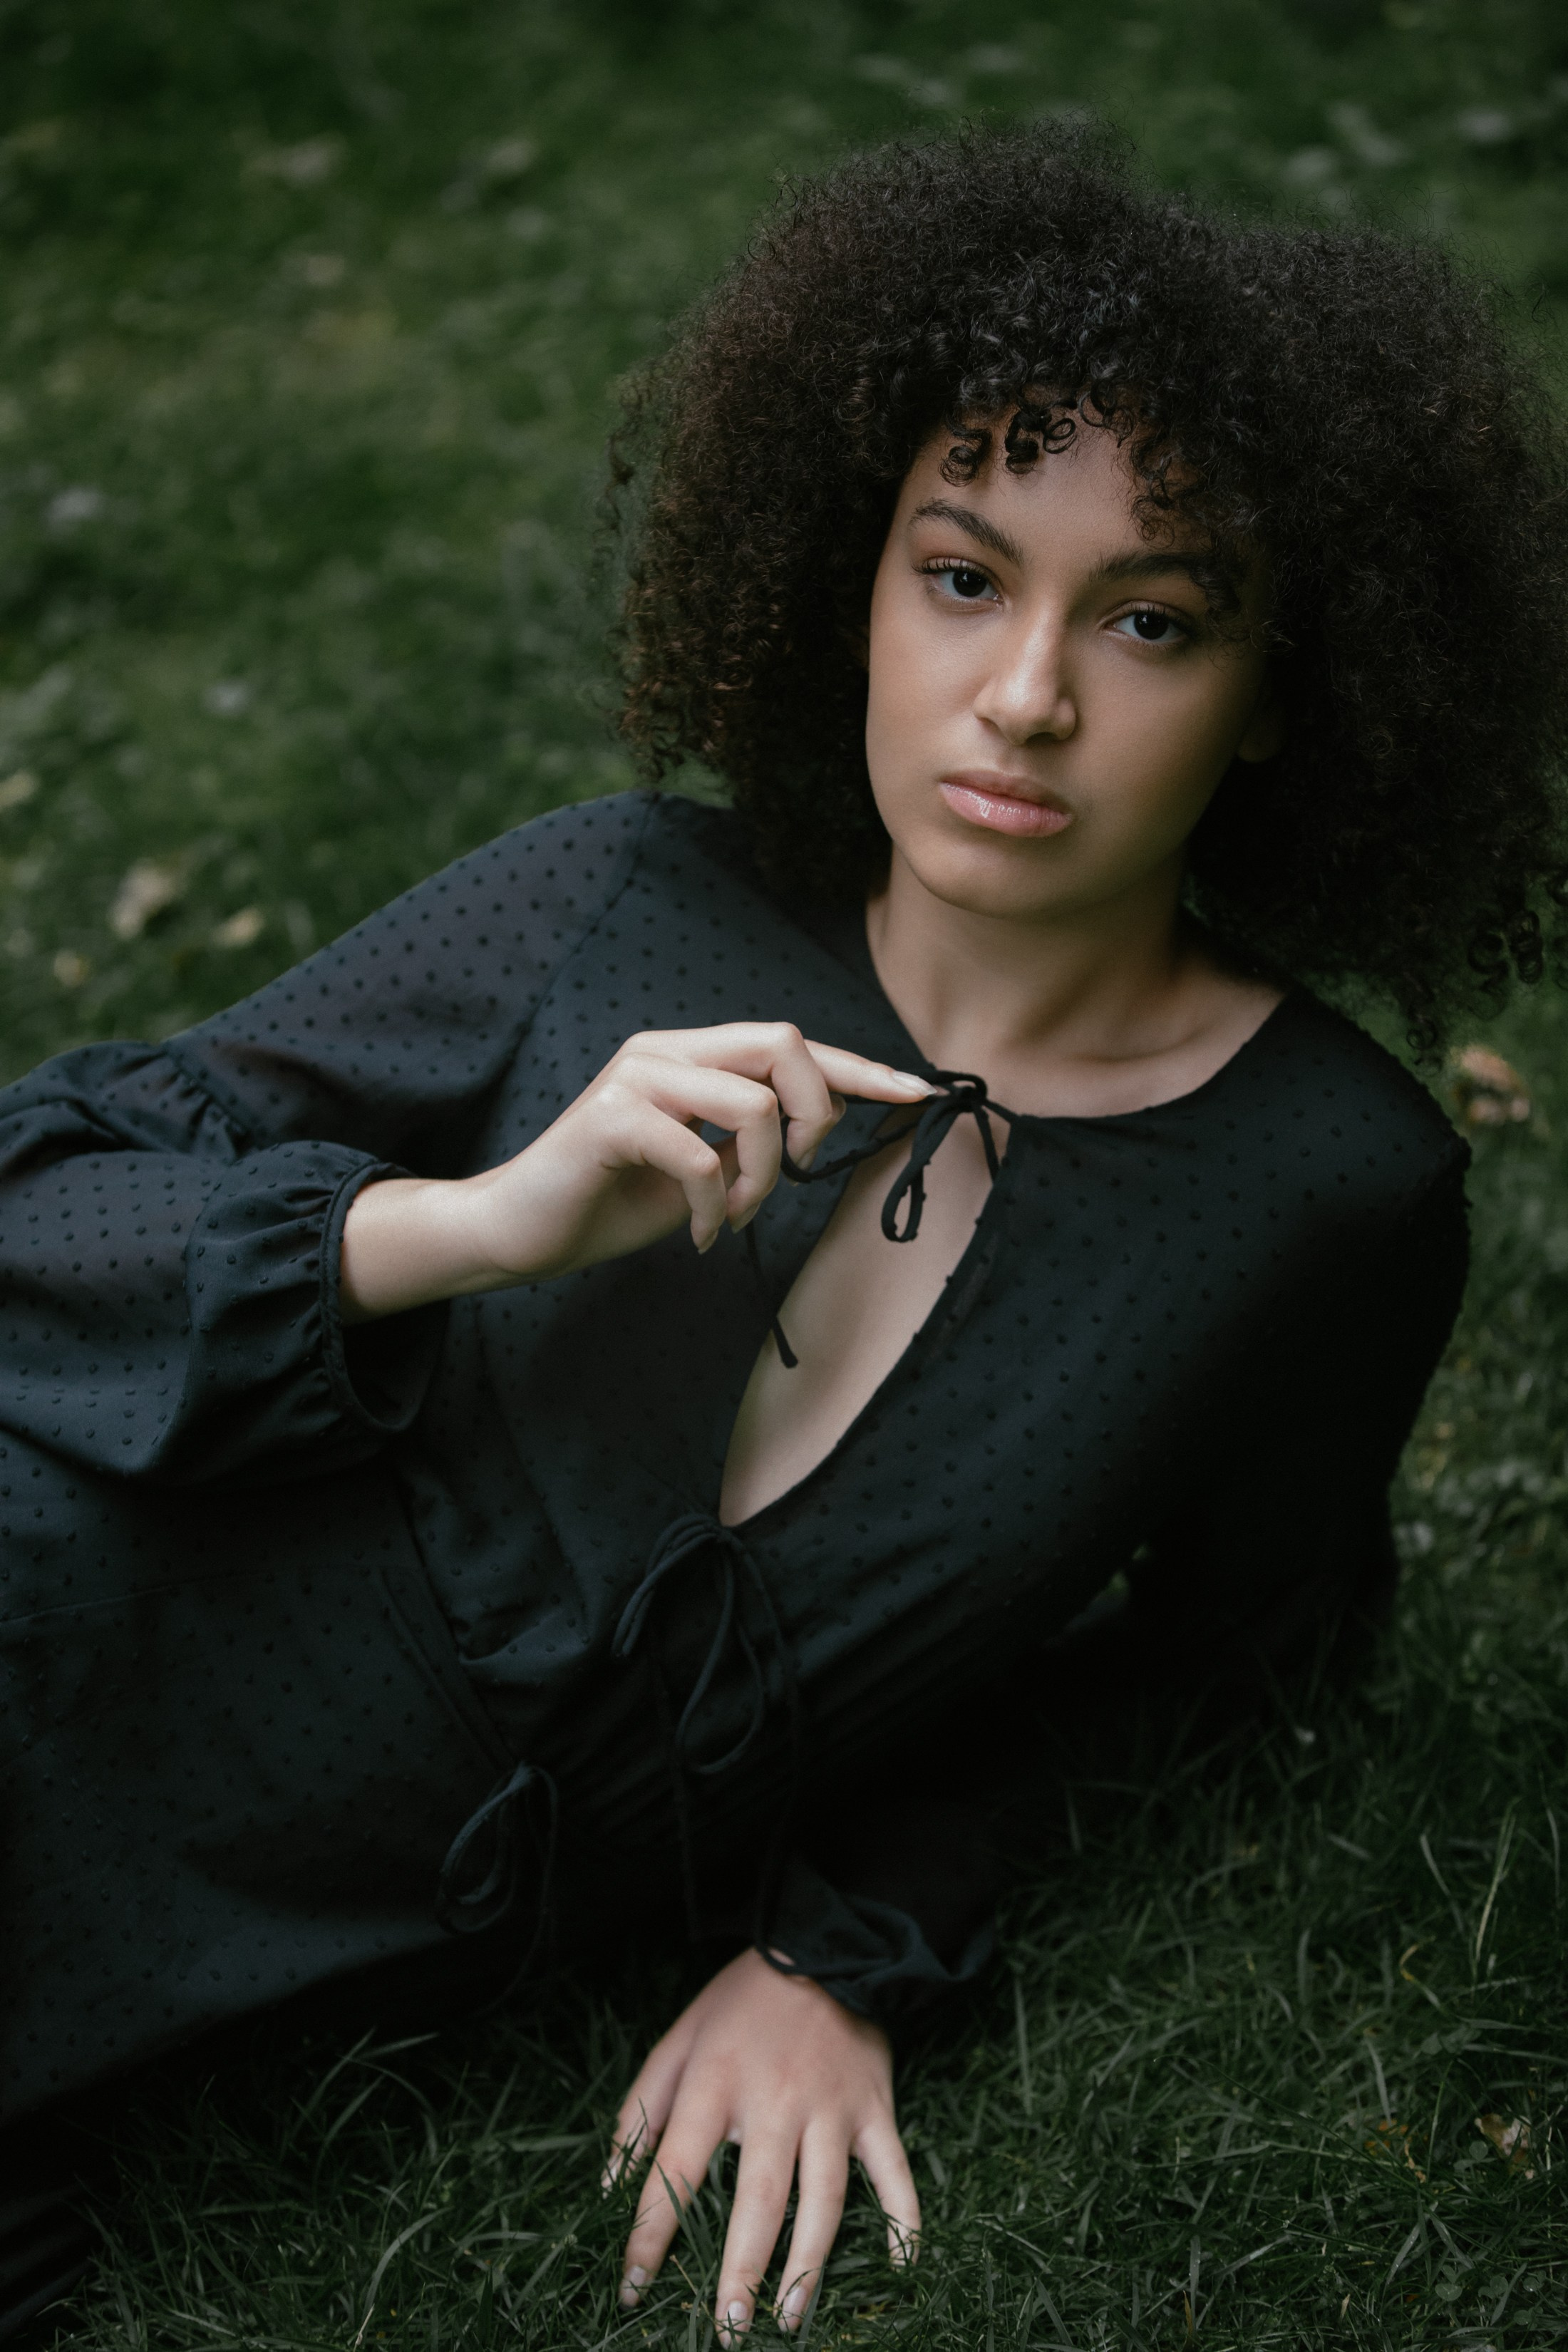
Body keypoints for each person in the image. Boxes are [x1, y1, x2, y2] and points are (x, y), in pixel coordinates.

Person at [2, 125, 1564, 2343]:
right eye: (961, 573)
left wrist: (851, 1943)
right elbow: (37, 1205)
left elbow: (1236, 1663)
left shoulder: (1323, 1184)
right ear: (854, 575)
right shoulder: (617, 892)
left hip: (222, 1955)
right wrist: (476, 1223)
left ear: (1283, 690)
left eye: (1148, 618)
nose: (1027, 694)